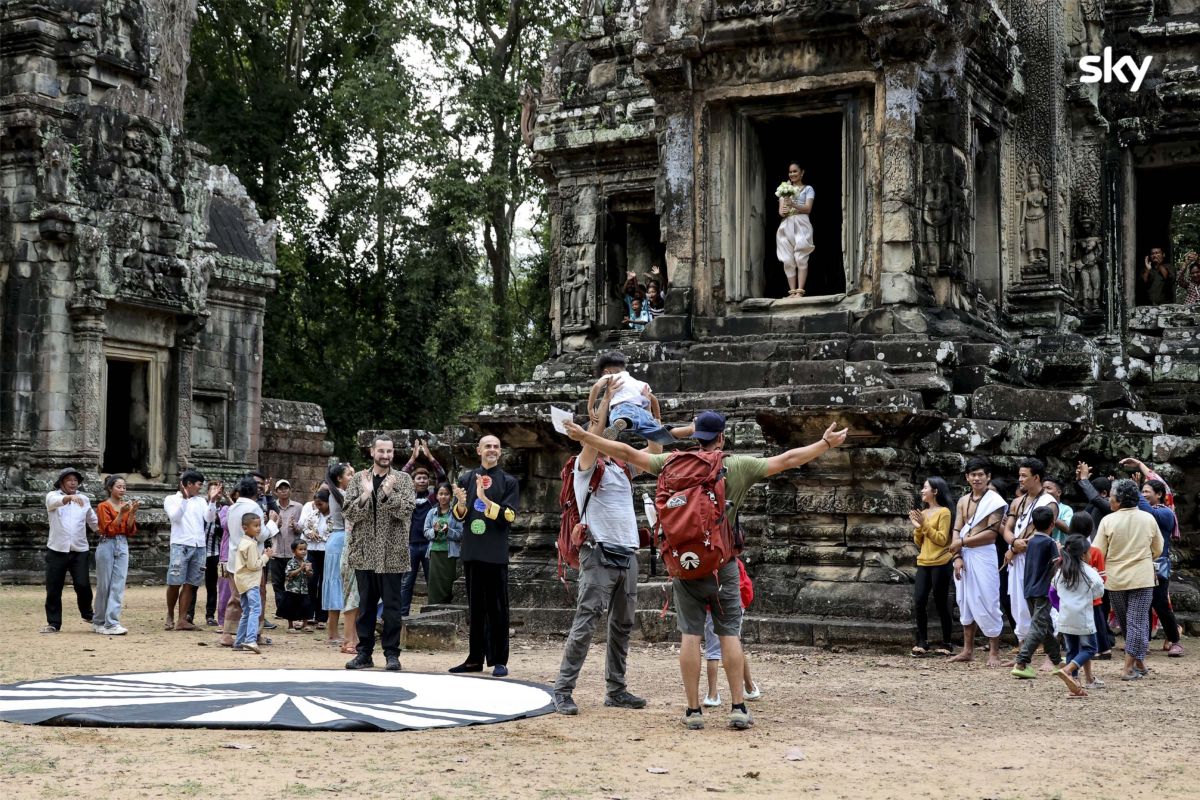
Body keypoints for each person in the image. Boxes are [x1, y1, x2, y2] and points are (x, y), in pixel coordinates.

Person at [564, 409, 848, 731]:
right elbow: (787, 459)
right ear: (722, 437)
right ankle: (738, 708)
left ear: (696, 438)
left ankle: (693, 710)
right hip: (721, 566)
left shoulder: (670, 463)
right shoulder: (735, 466)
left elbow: (627, 452)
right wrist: (824, 443)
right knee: (729, 633)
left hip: (684, 568)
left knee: (690, 635)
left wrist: (585, 437)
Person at [552, 377, 657, 715]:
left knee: (622, 625)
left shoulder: (623, 468)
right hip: (598, 552)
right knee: (586, 622)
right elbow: (592, 440)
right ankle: (563, 690)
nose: (610, 436)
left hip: (627, 552)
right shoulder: (584, 467)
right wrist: (603, 403)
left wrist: (651, 407)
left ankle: (616, 689)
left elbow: (655, 452)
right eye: (603, 434)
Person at [449, 435, 521, 678]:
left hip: (495, 552)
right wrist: (460, 503)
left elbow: (509, 517)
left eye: (496, 446)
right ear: (478, 450)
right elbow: (460, 516)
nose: (492, 450)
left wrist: (483, 499)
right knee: (475, 608)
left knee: (497, 608)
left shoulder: (509, 481)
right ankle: (474, 658)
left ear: (501, 452)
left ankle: (499, 659)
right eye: (487, 446)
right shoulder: (467, 478)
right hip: (472, 550)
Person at [343, 435, 416, 672]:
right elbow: (349, 514)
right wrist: (365, 494)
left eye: (390, 451)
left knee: (393, 608)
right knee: (366, 607)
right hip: (364, 553)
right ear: (372, 452)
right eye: (381, 451)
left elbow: (406, 511)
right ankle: (364, 652)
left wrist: (387, 493)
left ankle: (392, 654)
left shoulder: (403, 480)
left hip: (392, 554)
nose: (385, 456)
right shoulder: (358, 479)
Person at [1093, 479, 1163, 681]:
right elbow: (1158, 549)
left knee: (1127, 623)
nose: (1110, 500)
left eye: (1112, 497)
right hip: (1142, 577)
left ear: (1119, 500)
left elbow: (1098, 552)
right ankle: (1136, 663)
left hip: (1116, 579)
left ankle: (1128, 667)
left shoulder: (1108, 520)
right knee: (1136, 623)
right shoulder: (1148, 518)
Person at [947, 458, 1006, 666]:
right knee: (965, 600)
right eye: (973, 475)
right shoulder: (963, 500)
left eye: (981, 474)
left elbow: (991, 534)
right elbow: (956, 528)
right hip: (964, 554)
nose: (977, 478)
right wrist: (957, 557)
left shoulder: (995, 501)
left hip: (984, 554)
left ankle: (993, 653)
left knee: (989, 599)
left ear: (988, 477)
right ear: (967, 477)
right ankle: (967, 650)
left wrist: (961, 542)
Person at [1001, 458, 1059, 644]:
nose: (1020, 479)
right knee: (1018, 602)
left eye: (1024, 476)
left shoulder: (1049, 502)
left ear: (1036, 477)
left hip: (1037, 558)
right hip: (1018, 557)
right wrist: (1012, 543)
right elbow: (1007, 528)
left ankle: (1048, 646)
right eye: (1020, 475)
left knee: (1040, 601)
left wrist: (1015, 548)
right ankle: (1023, 644)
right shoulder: (1018, 501)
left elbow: (1039, 533)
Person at [218, 477, 279, 648]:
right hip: (252, 558)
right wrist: (273, 524)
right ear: (255, 492)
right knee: (256, 599)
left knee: (235, 597)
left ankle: (227, 633)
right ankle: (255, 635)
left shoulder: (232, 507)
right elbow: (260, 534)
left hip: (234, 558)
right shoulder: (254, 508)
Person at [589, 350, 694, 445]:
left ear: (606, 372)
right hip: (642, 412)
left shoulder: (610, 377)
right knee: (657, 433)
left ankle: (622, 422)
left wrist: (590, 408)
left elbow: (596, 386)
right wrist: (657, 419)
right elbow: (654, 400)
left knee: (618, 419)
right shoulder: (639, 383)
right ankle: (688, 430)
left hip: (623, 409)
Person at [163, 469, 221, 631]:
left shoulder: (201, 501)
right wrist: (185, 499)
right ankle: (170, 614)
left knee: (191, 584)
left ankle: (182, 619)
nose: (200, 488)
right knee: (174, 582)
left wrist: (212, 502)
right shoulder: (171, 499)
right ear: (188, 484)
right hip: (180, 545)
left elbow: (209, 519)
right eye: (198, 484)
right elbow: (175, 517)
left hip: (199, 546)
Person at [41, 467, 97, 634]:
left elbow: (93, 521)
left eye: (76, 480)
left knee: (83, 584)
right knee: (53, 587)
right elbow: (53, 503)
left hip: (79, 549)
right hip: (57, 549)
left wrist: (106, 532)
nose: (73, 483)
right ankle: (53, 623)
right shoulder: (52, 496)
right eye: (69, 480)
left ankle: (88, 614)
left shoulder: (84, 499)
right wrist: (68, 498)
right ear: (61, 482)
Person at [1009, 507, 1063, 679]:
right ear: (1052, 524)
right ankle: (1022, 661)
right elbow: (1057, 565)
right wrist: (1060, 552)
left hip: (1029, 589)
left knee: (1045, 626)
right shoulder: (1050, 543)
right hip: (1043, 590)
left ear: (1033, 524)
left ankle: (1057, 661)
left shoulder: (1030, 541)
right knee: (1039, 627)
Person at [700, 559, 761, 708]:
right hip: (734, 605)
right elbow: (745, 587)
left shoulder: (704, 560)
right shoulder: (734, 562)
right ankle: (749, 687)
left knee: (713, 650)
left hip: (710, 606)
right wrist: (742, 604)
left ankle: (712, 695)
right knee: (735, 645)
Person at [1051, 535, 1106, 697]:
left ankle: (1075, 685)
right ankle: (1068, 670)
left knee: (1072, 650)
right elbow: (1099, 591)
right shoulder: (1089, 572)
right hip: (1083, 618)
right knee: (1090, 649)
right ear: (1083, 554)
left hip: (1066, 617)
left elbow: (1054, 588)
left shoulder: (1061, 571)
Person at [909, 477, 955, 657]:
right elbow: (919, 542)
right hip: (924, 561)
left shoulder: (944, 512)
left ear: (935, 491)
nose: (922, 490)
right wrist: (918, 528)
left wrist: (924, 525)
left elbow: (942, 539)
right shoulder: (924, 513)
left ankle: (947, 642)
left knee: (941, 601)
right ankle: (922, 641)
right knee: (919, 601)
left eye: (925, 487)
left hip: (941, 562)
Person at [1140, 478, 1184, 657]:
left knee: (1160, 603)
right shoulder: (1140, 512)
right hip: (1141, 562)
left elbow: (1149, 512)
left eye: (1146, 491)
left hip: (1159, 565)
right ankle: (1144, 642)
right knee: (1143, 603)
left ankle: (1175, 641)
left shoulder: (1166, 513)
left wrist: (1133, 491)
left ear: (1159, 495)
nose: (1143, 495)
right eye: (1142, 492)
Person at [93, 474, 138, 635]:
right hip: (107, 543)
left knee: (118, 584)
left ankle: (112, 622)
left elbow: (129, 530)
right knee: (104, 585)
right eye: (119, 486)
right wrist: (120, 514)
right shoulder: (103, 506)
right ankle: (99, 621)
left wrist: (132, 513)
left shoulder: (126, 505)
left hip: (122, 543)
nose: (122, 490)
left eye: (124, 487)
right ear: (110, 488)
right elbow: (108, 529)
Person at [1071, 513, 1112, 669]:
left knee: (1085, 625)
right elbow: (1103, 577)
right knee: (1098, 623)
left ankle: (1090, 649)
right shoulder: (1096, 552)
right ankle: (1104, 648)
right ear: (1090, 530)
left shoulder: (1067, 549)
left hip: (1075, 598)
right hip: (1093, 597)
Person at [322, 463, 356, 651]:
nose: (353, 476)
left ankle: (335, 631)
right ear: (339, 479)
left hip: (338, 539)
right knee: (337, 583)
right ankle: (333, 631)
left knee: (338, 583)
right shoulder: (341, 495)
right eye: (349, 474)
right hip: (341, 538)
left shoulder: (338, 493)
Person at [232, 513, 274, 654]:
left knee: (246, 612)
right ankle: (250, 639)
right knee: (255, 609)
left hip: (242, 582)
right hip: (250, 582)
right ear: (245, 528)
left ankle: (239, 641)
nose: (258, 529)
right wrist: (266, 557)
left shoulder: (246, 542)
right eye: (255, 526)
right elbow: (253, 565)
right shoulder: (250, 544)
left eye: (259, 525)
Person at [775, 161, 815, 298]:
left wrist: (793, 204)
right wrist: (784, 209)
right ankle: (792, 291)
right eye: (790, 172)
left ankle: (800, 291)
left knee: (801, 256)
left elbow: (808, 208)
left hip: (801, 223)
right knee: (787, 258)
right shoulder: (784, 189)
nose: (792, 174)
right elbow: (781, 211)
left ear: (802, 172)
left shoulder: (808, 189)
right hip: (786, 224)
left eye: (795, 171)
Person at [400, 466, 436, 619]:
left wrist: (431, 459)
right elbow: (401, 477)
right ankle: (402, 615)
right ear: (413, 481)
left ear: (429, 481)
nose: (422, 481)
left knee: (432, 580)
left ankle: (433, 614)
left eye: (425, 478)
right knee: (407, 581)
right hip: (411, 543)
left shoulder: (433, 498)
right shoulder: (408, 497)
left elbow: (441, 477)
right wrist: (412, 459)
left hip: (429, 543)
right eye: (418, 478)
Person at [268, 480, 303, 621]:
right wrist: (276, 525)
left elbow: (303, 527)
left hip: (292, 552)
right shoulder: (271, 507)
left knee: (294, 583)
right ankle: (281, 610)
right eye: (280, 489)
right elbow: (267, 530)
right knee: (277, 583)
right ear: (276, 492)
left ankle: (293, 610)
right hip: (276, 551)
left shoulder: (298, 507)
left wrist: (295, 526)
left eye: (286, 488)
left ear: (290, 490)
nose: (283, 491)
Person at [424, 483, 463, 606]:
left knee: (448, 582)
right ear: (436, 496)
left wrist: (448, 531)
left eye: (446, 494)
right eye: (441, 494)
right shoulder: (431, 513)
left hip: (450, 554)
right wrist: (434, 531)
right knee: (434, 583)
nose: (443, 497)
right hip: (435, 552)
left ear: (451, 496)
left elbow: (461, 534)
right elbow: (425, 532)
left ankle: (447, 608)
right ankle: (433, 608)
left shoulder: (456, 513)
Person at [302, 488, 331, 631]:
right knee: (311, 582)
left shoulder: (334, 517)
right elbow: (304, 528)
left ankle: (322, 616)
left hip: (327, 551)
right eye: (316, 504)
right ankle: (311, 614)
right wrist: (310, 533)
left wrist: (321, 536)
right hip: (313, 550)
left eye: (321, 504)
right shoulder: (313, 514)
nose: (318, 507)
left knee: (324, 583)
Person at [281, 540, 314, 632]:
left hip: (304, 589)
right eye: (300, 549)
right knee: (291, 607)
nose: (303, 551)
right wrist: (300, 568)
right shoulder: (291, 562)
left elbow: (311, 575)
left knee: (305, 606)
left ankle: (305, 624)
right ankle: (290, 625)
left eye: (305, 549)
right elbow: (289, 574)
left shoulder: (307, 562)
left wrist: (308, 571)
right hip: (292, 589)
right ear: (294, 551)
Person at [1074, 463, 1112, 528]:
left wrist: (1084, 480)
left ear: (1104, 493)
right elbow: (1085, 495)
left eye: (1093, 491)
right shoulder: (1093, 503)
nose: (1090, 493)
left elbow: (1095, 498)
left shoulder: (1110, 504)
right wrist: (1080, 480)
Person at [1042, 476, 1073, 544]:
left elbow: (1068, 529)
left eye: (1048, 488)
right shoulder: (1038, 506)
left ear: (1058, 493)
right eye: (1043, 488)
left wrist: (1050, 512)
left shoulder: (1066, 509)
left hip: (1059, 549)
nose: (1044, 491)